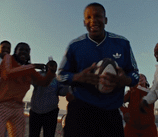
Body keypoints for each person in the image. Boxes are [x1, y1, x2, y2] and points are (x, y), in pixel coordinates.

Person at [57, 2, 139, 137]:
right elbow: (60, 76)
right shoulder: (75, 45)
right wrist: (77, 77)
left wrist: (125, 80)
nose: (93, 20)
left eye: (98, 16)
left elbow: (135, 74)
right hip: (80, 111)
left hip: (110, 113)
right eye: (88, 18)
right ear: (84, 22)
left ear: (105, 20)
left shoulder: (122, 43)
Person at [0, 42, 56, 137]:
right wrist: (34, 66)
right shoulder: (8, 58)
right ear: (15, 51)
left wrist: (51, 72)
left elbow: (43, 83)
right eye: (21, 49)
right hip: (1, 105)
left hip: (18, 108)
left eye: (27, 51)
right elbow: (8, 72)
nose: (24, 52)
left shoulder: (29, 70)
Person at [29, 60, 69, 137]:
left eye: (54, 66)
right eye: (50, 65)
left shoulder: (58, 79)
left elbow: (63, 93)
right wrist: (35, 66)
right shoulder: (39, 74)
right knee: (33, 135)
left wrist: (66, 83)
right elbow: (28, 79)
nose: (51, 67)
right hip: (35, 112)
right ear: (46, 66)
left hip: (51, 113)